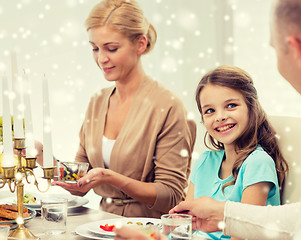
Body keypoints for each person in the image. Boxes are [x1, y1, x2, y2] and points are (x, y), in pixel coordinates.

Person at [169, 0, 301, 239]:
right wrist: (223, 214)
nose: (220, 116)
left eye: (275, 50)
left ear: (298, 51)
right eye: (209, 110)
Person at [53, 0, 196, 218]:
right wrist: (42, 158)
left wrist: (111, 178)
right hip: (102, 225)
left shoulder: (168, 106)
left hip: (150, 229)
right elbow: (79, 177)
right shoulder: (97, 102)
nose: (101, 58)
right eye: (94, 48)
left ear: (140, 44)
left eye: (112, 48)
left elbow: (172, 195)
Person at [185, 65, 288, 240]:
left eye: (231, 105)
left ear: (251, 107)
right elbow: (186, 224)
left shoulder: (258, 163)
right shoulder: (204, 161)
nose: (220, 117)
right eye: (210, 110)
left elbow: (244, 234)